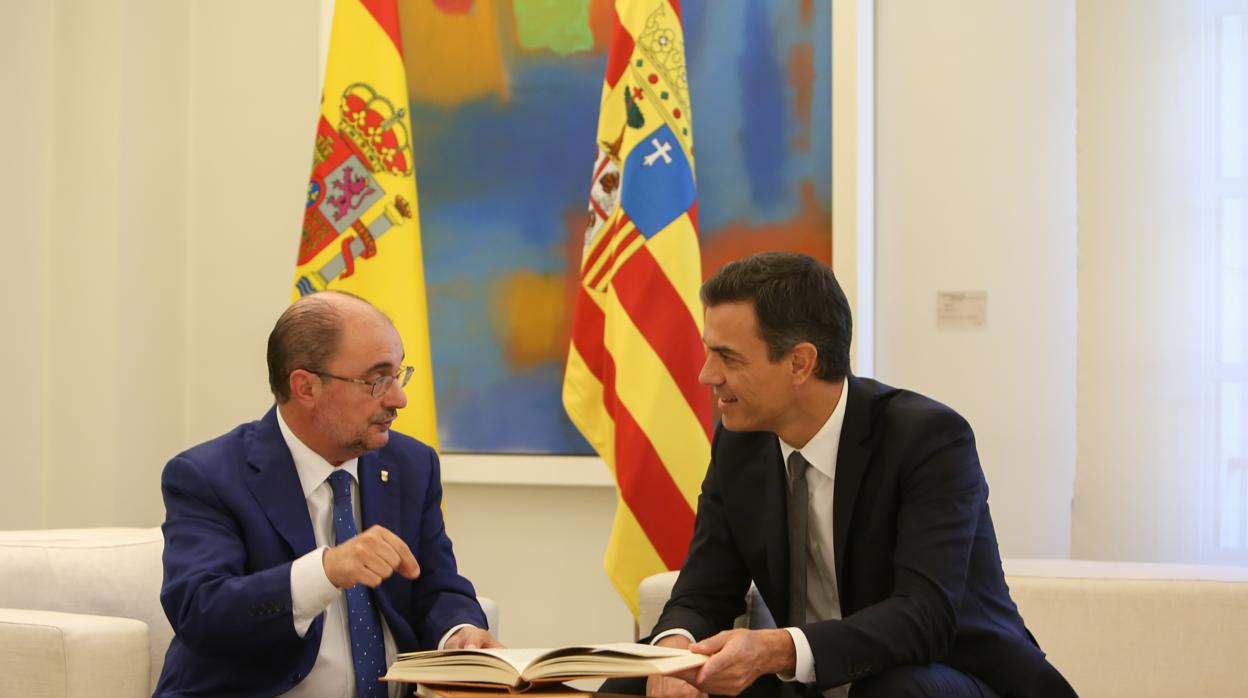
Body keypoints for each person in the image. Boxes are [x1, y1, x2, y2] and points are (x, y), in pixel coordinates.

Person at [606, 253, 1075, 697]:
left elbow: (923, 617)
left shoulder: (928, 439)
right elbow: (704, 592)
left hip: (951, 674)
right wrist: (673, 653)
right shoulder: (739, 444)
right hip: (806, 680)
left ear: (800, 362)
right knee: (631, 682)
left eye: (728, 358)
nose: (707, 375)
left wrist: (778, 648)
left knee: (893, 691)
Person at [156, 291, 497, 697]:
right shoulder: (208, 476)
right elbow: (201, 612)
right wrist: (326, 571)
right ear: (306, 387)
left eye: (399, 375)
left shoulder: (410, 465)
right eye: (377, 380)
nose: (398, 399)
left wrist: (459, 633)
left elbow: (437, 587)